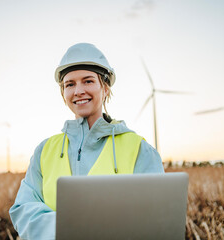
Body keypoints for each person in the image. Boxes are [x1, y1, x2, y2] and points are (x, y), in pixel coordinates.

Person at [9, 43, 164, 240]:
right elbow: (24, 208)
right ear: (63, 93)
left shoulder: (139, 149)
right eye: (70, 84)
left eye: (88, 81)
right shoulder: (44, 151)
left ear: (105, 88)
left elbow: (154, 216)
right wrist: (67, 231)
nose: (78, 91)